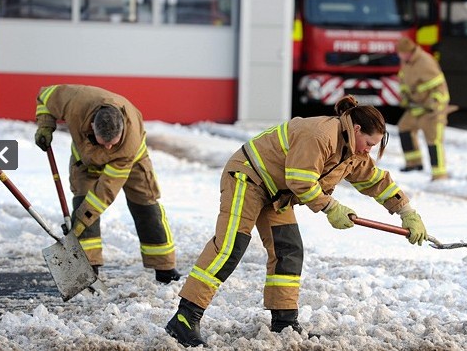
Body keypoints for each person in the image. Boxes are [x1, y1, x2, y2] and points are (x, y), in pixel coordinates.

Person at [165, 95, 428, 347]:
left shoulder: (352, 150)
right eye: (369, 143)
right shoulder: (319, 135)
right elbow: (300, 180)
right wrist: (331, 207)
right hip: (248, 178)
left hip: (277, 193)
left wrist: (406, 211)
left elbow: (375, 180)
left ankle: (284, 321)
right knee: (231, 246)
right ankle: (185, 318)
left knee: (288, 249)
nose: (368, 150)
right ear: (357, 129)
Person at [34, 84, 181, 284]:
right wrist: (45, 124)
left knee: (146, 207)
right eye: (104, 143)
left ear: (122, 129)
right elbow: (45, 96)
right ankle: (88, 271)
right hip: (85, 161)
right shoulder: (75, 101)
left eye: (114, 143)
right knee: (83, 202)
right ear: (93, 126)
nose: (109, 147)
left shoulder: (129, 142)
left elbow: (105, 191)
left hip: (131, 162)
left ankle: (165, 268)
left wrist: (80, 222)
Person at [396, 37, 451, 181]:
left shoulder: (426, 62)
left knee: (433, 139)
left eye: (401, 53)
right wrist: (405, 96)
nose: (399, 56)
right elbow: (403, 80)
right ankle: (414, 163)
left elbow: (439, 86)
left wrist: (435, 103)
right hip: (416, 107)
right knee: (404, 127)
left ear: (408, 52)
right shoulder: (406, 62)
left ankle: (439, 175)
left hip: (432, 109)